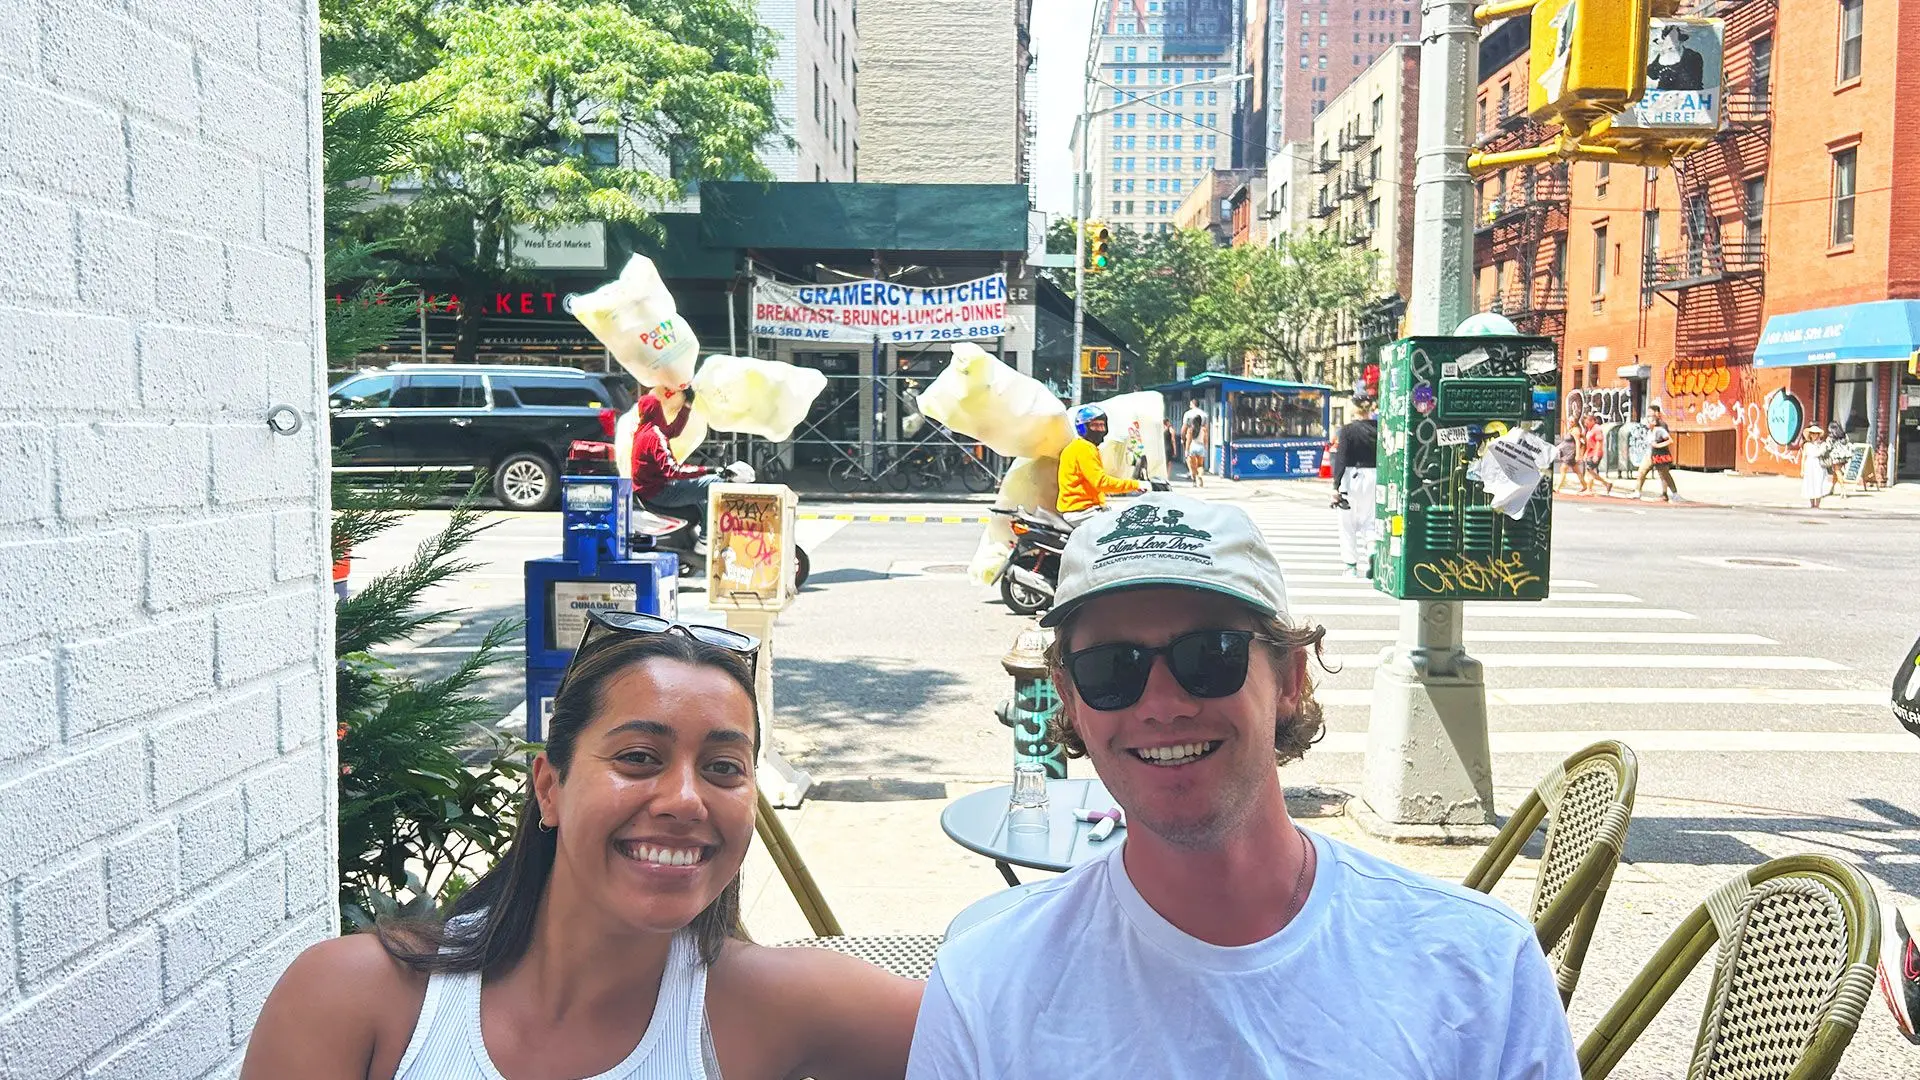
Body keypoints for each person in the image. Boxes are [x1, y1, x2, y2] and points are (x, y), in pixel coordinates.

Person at [908, 494, 1579, 1078]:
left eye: (1210, 656)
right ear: (1072, 700)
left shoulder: (1481, 969)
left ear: (1289, 680)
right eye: (1113, 667)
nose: (1162, 703)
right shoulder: (985, 981)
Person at [244, 612, 921, 1080]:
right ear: (550, 787)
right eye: (637, 756)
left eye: (723, 768)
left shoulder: (777, 1003)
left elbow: (1011, 1027)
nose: (686, 800)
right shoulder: (354, 999)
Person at [631, 385, 726, 511]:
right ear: (657, 411)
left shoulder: (642, 432)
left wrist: (686, 405)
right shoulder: (655, 436)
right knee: (717, 483)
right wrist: (709, 470)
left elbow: (673, 431)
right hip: (660, 492)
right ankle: (708, 531)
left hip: (648, 490)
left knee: (702, 488)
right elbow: (673, 470)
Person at [1058, 403, 1146, 525]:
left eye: (1102, 425)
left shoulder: (1076, 446)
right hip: (1082, 511)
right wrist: (1137, 484)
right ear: (1083, 427)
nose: (1100, 429)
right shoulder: (1085, 448)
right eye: (1094, 425)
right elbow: (1101, 483)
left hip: (1084, 509)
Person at [1330, 392, 1379, 578]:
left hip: (1352, 476)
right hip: (1374, 476)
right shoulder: (1379, 429)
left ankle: (1350, 565)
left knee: (1347, 523)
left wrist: (1335, 486)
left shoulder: (1348, 430)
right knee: (1370, 520)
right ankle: (1373, 551)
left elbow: (1341, 459)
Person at [1632, 405, 1680, 502]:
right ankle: (1637, 491)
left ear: (1657, 413)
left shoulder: (1661, 427)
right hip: (1650, 454)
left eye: (1651, 413)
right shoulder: (1650, 429)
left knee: (1664, 474)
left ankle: (1672, 493)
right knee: (1642, 471)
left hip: (1660, 455)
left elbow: (1669, 440)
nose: (1649, 415)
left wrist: (1658, 445)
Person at [1646, 23, 1705, 91]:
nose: (1669, 45)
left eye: (1673, 40)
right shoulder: (1661, 55)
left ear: (1681, 41)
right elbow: (1651, 74)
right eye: (1666, 40)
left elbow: (1694, 84)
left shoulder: (1693, 57)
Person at [1578, 412, 1613, 496]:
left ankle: (1592, 488)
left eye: (1587, 423)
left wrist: (1596, 455)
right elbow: (1588, 443)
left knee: (1589, 470)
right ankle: (1605, 484)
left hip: (1595, 453)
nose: (1586, 425)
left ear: (1592, 421)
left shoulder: (1597, 429)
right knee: (1589, 471)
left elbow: (1599, 442)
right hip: (1590, 452)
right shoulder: (1590, 429)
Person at [1801, 424, 1832, 508]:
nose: (1814, 435)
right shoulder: (1806, 445)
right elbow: (1804, 457)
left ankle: (1817, 504)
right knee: (1810, 483)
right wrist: (1802, 469)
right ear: (1810, 434)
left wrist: (1820, 445)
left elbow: (1821, 453)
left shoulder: (1822, 444)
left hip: (1818, 465)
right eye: (1812, 433)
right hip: (1809, 465)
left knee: (1819, 483)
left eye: (1816, 433)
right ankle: (1811, 504)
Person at [1181, 400, 1209, 486]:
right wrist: (1206, 446)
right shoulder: (1204, 415)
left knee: (1192, 465)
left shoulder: (1188, 415)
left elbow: (1184, 430)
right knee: (1200, 465)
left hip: (1192, 446)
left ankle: (1194, 480)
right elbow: (1206, 437)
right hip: (1201, 447)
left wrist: (1185, 445)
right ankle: (1199, 476)